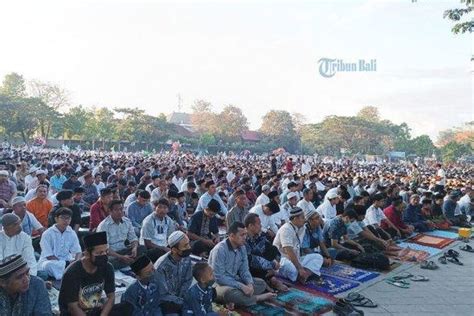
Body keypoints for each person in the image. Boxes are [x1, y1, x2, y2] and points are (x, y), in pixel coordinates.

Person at [59, 231, 131, 316]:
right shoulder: (72, 272)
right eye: (99, 253)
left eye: (105, 252)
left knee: (126, 307)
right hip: (74, 313)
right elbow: (73, 307)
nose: (104, 255)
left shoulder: (107, 267)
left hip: (94, 310)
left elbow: (111, 297)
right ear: (87, 254)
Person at [209, 222, 276, 307]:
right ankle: (257, 298)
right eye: (242, 235)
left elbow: (244, 270)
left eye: (245, 234)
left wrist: (249, 284)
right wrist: (241, 286)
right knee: (230, 293)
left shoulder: (242, 248)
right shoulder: (219, 250)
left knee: (261, 283)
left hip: (234, 281)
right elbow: (219, 277)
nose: (245, 237)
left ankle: (243, 297)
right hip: (219, 284)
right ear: (232, 236)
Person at [273, 207, 324, 284]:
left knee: (318, 258)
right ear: (295, 219)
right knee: (292, 269)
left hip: (296, 258)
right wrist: (300, 268)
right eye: (302, 218)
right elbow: (289, 250)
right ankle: (302, 274)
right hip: (283, 260)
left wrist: (299, 266)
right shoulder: (286, 229)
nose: (305, 220)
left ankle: (305, 275)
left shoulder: (302, 228)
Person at [244, 213, 288, 292]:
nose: (261, 226)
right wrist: (272, 265)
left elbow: (274, 251)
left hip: (264, 267)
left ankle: (270, 278)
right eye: (259, 224)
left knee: (272, 249)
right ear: (250, 226)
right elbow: (253, 261)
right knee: (253, 259)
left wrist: (275, 261)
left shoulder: (259, 236)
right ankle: (269, 280)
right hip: (250, 268)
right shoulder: (243, 240)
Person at [154, 231, 193, 315]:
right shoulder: (161, 266)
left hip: (181, 298)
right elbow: (162, 295)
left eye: (188, 244)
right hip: (166, 303)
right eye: (185, 245)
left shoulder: (186, 258)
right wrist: (180, 301)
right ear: (174, 250)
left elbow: (188, 279)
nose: (189, 247)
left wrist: (183, 296)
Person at [97, 200, 144, 270]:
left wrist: (134, 248)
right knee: (107, 263)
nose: (119, 212)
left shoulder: (127, 221)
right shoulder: (103, 226)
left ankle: (128, 261)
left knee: (142, 248)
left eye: (121, 209)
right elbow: (104, 248)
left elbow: (133, 238)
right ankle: (130, 262)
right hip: (111, 254)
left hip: (124, 250)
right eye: (116, 210)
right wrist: (121, 257)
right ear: (110, 211)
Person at [38, 207, 82, 280]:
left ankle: (69, 271)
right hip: (51, 261)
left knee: (82, 262)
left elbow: (78, 251)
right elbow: (49, 256)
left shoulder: (72, 232)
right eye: (63, 218)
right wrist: (65, 263)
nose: (66, 220)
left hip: (68, 260)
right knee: (47, 266)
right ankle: (68, 273)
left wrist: (76, 263)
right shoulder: (47, 233)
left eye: (68, 218)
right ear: (56, 219)